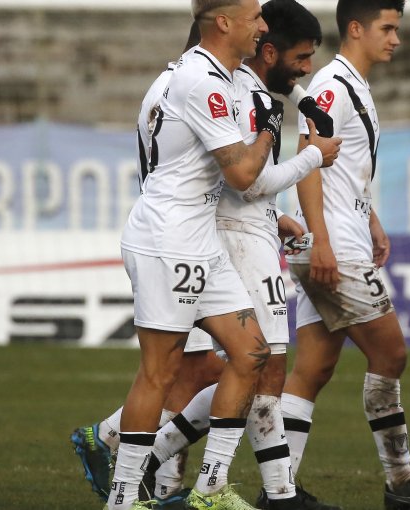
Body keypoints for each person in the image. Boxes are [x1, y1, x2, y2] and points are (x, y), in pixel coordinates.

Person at [135, 1, 343, 509]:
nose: (305, 68)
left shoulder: (207, 81)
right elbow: (242, 178)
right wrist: (312, 156)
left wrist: (275, 216)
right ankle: (258, 490)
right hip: (221, 234)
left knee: (243, 363)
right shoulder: (219, 87)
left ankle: (164, 468)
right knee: (247, 366)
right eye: (299, 57)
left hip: (233, 231)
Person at [106, 0, 283, 508]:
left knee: (251, 352)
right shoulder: (200, 82)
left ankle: (209, 489)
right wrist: (269, 127)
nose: (264, 26)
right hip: (167, 241)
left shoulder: (216, 75)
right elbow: (243, 175)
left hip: (199, 239)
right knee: (159, 374)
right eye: (255, 17)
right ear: (224, 22)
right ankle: (122, 498)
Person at [279, 1, 410, 509]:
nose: (396, 38)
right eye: (387, 28)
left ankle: (278, 489)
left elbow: (342, 168)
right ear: (356, 28)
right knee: (390, 353)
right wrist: (323, 239)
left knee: (313, 367)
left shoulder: (354, 86)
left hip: (340, 235)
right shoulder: (332, 86)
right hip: (333, 246)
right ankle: (400, 481)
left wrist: (369, 215)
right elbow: (308, 162)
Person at [70, 21, 227, 506]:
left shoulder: (166, 85)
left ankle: (155, 478)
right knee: (189, 370)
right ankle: (118, 444)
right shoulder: (195, 89)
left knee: (197, 368)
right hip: (182, 241)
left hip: (192, 238)